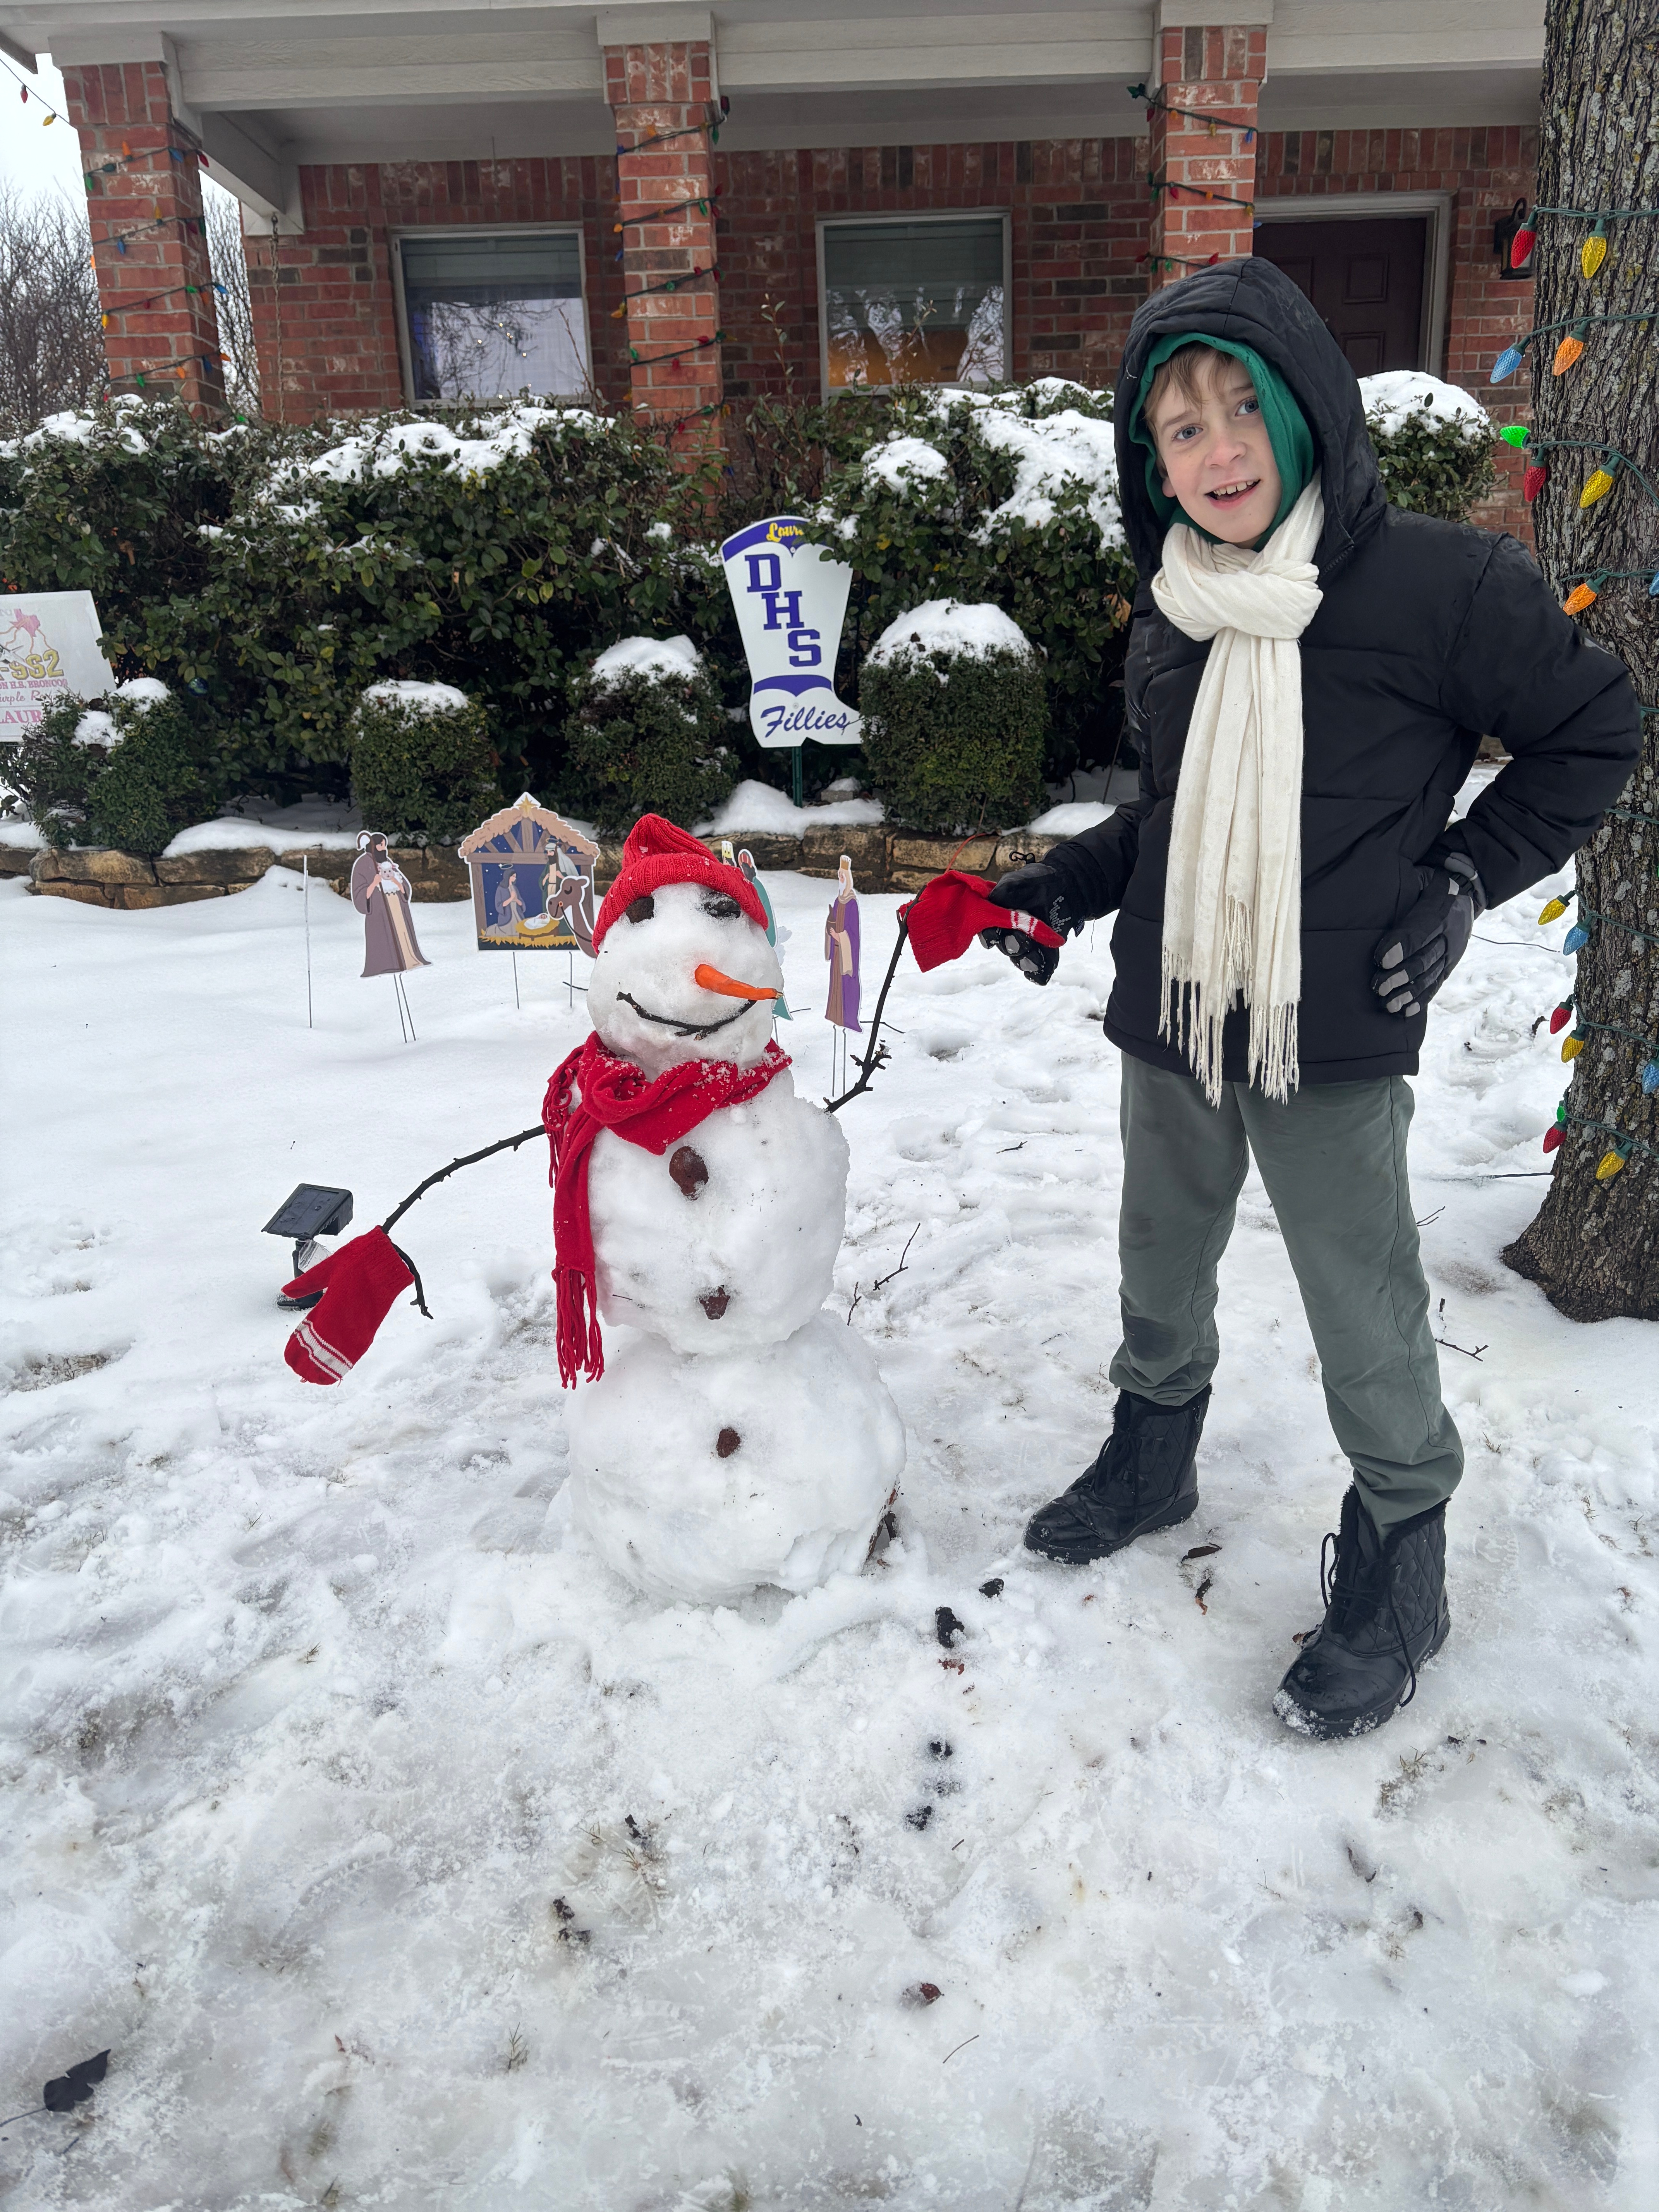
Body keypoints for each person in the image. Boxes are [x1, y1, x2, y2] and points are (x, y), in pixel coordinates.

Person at [984, 258, 1640, 1740]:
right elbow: (1173, 817)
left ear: (1304, 413)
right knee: (1158, 1254)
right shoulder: (1172, 610)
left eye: (1237, 409)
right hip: (1174, 1002)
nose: (1213, 451)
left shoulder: (1437, 586)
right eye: (1175, 428)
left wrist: (1465, 878)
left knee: (1361, 1300)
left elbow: (1591, 732)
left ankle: (1402, 1556)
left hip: (1330, 1017)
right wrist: (1063, 888)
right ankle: (1152, 1458)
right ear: (1146, 463)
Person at [350, 831, 429, 977]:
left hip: (397, 906)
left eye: (385, 845)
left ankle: (408, 959)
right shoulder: (363, 864)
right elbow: (360, 893)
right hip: (379, 910)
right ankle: (385, 965)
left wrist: (396, 883)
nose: (385, 848)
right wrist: (374, 884)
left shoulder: (387, 862)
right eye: (382, 845)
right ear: (374, 846)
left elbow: (403, 884)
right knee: (384, 936)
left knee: (402, 932)